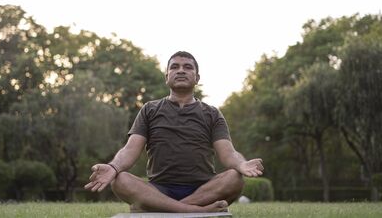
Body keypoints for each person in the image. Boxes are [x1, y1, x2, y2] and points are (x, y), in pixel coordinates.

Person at [84, 51, 264, 213]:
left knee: (234, 178)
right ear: (167, 76)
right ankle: (193, 211)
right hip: (158, 189)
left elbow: (228, 153)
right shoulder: (150, 109)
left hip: (204, 189)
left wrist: (241, 164)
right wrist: (113, 167)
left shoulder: (212, 113)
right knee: (119, 179)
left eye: (187, 67)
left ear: (197, 77)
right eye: (175, 67)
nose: (181, 70)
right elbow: (130, 150)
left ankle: (157, 207)